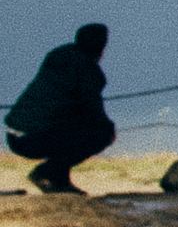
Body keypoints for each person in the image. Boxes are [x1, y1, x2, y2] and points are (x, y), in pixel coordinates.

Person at [5, 22, 115, 194]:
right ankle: (46, 173)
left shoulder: (59, 55)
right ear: (101, 46)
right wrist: (109, 130)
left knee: (70, 126)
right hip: (34, 138)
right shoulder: (88, 71)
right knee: (101, 133)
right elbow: (94, 111)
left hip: (14, 134)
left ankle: (60, 180)